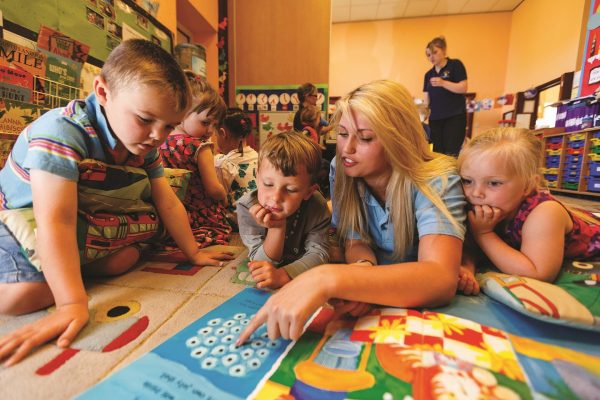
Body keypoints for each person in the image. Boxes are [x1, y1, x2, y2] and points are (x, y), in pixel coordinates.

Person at [0, 39, 234, 367]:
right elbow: (56, 220)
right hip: (16, 222)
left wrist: (193, 252)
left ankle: (67, 268)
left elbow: (165, 199)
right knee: (23, 297)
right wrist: (70, 302)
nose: (157, 136)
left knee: (122, 261)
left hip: (78, 218)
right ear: (103, 92)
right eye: (145, 119)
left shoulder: (143, 144)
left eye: (168, 126)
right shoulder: (60, 132)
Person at [237, 80, 466, 345]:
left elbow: (440, 278)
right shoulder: (342, 168)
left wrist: (330, 277)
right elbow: (355, 240)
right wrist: (361, 271)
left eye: (365, 137)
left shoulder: (438, 179)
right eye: (343, 134)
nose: (347, 149)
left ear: (398, 140)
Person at [457, 128, 600, 295]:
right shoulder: (478, 205)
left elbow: (538, 273)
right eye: (467, 181)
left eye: (494, 183)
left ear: (527, 185)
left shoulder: (544, 213)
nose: (475, 193)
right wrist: (467, 268)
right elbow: (471, 247)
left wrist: (484, 235)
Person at [236, 132, 331, 290]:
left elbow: (320, 254)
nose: (276, 197)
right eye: (268, 184)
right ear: (257, 178)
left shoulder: (316, 205)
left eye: (291, 189)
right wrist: (277, 227)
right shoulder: (247, 207)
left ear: (308, 192)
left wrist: (286, 274)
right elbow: (260, 264)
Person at [160, 73, 232, 247]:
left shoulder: (161, 140)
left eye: (214, 125)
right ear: (183, 112)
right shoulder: (200, 146)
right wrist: (224, 196)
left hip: (169, 216)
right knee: (223, 228)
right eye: (205, 123)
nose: (210, 130)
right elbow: (213, 188)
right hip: (200, 213)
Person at [423, 36, 468, 156]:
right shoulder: (428, 74)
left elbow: (463, 87)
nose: (431, 57)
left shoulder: (455, 65)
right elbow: (426, 98)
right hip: (435, 119)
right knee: (437, 152)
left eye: (434, 52)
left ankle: (452, 175)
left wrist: (443, 83)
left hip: (454, 116)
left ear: (444, 50)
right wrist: (423, 114)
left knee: (452, 152)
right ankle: (440, 175)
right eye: (428, 55)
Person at [214, 107, 258, 216]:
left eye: (215, 135)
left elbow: (220, 200)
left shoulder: (222, 162)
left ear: (222, 133)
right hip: (260, 216)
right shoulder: (258, 156)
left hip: (239, 221)